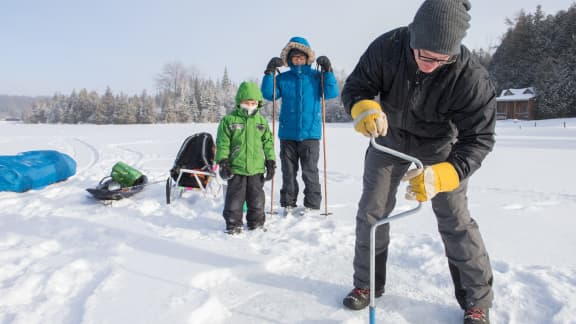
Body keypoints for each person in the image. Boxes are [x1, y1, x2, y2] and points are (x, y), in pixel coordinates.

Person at [340, 1, 495, 323]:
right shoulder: (388, 46)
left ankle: (476, 302)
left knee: (455, 219)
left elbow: (478, 138)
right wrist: (363, 107)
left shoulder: (471, 77)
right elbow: (358, 86)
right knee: (372, 211)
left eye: (441, 59)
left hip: (442, 148)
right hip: (388, 138)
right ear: (413, 37)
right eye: (424, 55)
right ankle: (367, 285)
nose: (430, 65)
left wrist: (449, 172)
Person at [261, 36, 339, 216]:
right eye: (294, 57)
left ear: (307, 58)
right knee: (288, 171)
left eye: (301, 56)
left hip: (310, 134)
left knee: (309, 171)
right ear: (289, 59)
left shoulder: (316, 77)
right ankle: (288, 203)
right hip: (288, 133)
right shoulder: (284, 78)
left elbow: (331, 92)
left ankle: (312, 204)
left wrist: (328, 70)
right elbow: (268, 94)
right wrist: (269, 73)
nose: (298, 59)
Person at [215, 81, 276, 235]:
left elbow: (268, 142)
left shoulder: (261, 122)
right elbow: (222, 142)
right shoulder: (229, 120)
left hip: (256, 169)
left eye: (253, 102)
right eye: (246, 102)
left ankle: (256, 223)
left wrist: (270, 161)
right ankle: (233, 225)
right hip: (236, 168)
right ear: (239, 102)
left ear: (258, 103)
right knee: (235, 200)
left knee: (257, 200)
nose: (250, 105)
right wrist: (223, 162)